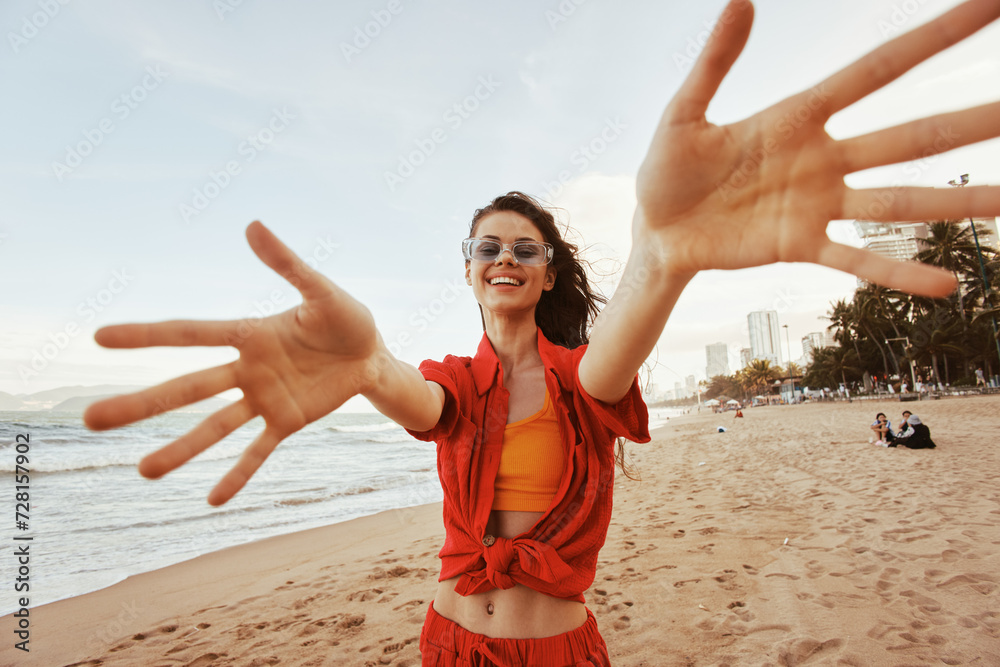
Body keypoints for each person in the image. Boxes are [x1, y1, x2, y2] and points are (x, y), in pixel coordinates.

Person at [81, 1, 998, 663]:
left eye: (525, 247)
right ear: (468, 268)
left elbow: (614, 357)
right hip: (448, 643)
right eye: (487, 246)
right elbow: (416, 393)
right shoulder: (453, 380)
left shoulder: (581, 376)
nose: (504, 257)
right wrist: (362, 361)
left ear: (549, 271)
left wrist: (666, 254)